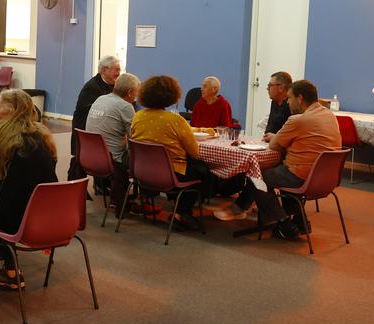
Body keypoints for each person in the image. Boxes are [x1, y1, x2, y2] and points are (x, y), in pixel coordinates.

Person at [213, 80, 341, 239]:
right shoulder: (330, 116)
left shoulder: (298, 120)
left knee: (256, 177)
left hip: (301, 176)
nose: (288, 102)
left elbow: (274, 145)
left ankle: (285, 224)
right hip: (325, 178)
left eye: (290, 98)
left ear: (300, 98)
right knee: (276, 172)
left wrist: (276, 137)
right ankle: (300, 221)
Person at [0, 89, 57, 289]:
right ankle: (9, 264)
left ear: (12, 111)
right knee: (11, 197)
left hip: (14, 220)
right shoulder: (44, 136)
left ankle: (11, 271)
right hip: (53, 217)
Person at [131, 76, 214, 231]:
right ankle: (182, 212)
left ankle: (176, 205)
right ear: (172, 95)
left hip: (142, 172)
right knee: (204, 171)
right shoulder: (176, 120)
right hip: (170, 174)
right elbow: (195, 152)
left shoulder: (138, 116)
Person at [85, 73, 142, 213]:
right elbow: (134, 138)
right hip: (113, 159)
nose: (136, 96)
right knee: (146, 157)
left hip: (91, 156)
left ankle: (121, 198)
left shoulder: (101, 99)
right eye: (136, 92)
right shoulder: (125, 106)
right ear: (129, 92)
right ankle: (141, 198)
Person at [68, 55, 121, 183]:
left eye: (119, 69)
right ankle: (75, 186)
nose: (119, 73)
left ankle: (102, 185)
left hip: (100, 128)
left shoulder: (114, 85)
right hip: (85, 128)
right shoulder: (92, 87)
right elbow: (90, 110)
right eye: (116, 70)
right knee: (82, 156)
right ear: (103, 70)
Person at [263, 71, 293, 138]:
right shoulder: (274, 102)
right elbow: (269, 129)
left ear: (281, 88)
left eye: (270, 85)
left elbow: (291, 136)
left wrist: (275, 137)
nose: (267, 88)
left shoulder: (292, 104)